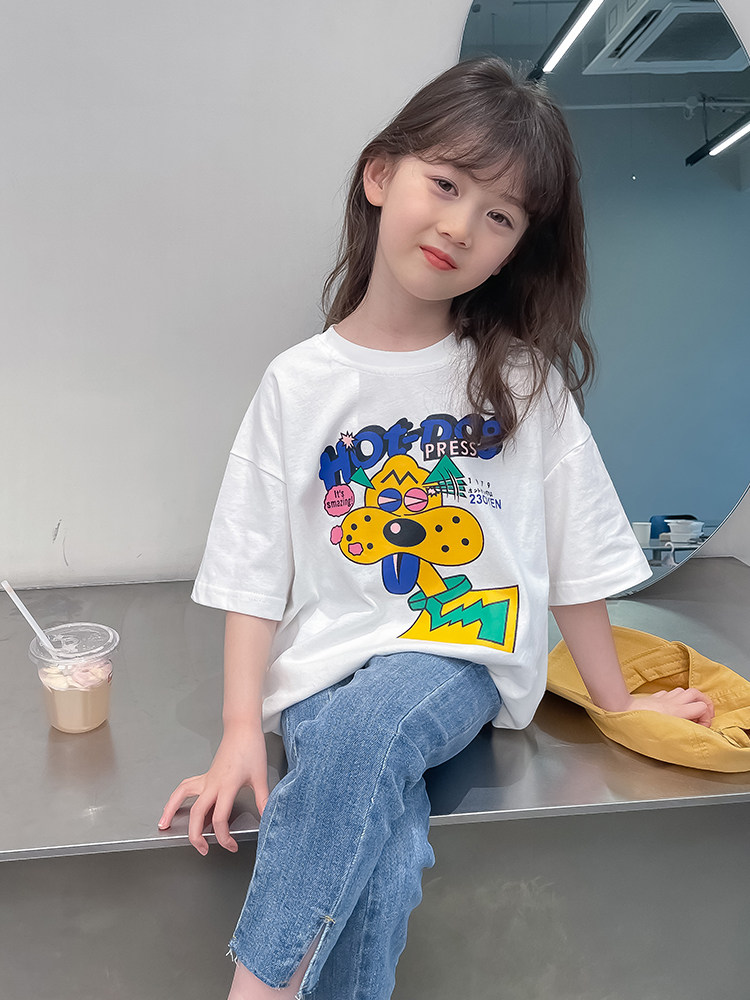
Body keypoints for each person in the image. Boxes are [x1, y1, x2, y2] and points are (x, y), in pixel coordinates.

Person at [158, 57, 714, 1000]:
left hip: (457, 648)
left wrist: (619, 704)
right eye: (447, 184)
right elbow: (253, 565)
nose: (461, 226)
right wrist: (240, 729)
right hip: (323, 670)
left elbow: (577, 557)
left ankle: (257, 989)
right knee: (382, 839)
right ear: (382, 176)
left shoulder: (524, 382)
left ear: (514, 251)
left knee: (366, 732)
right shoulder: (299, 383)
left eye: (500, 216)